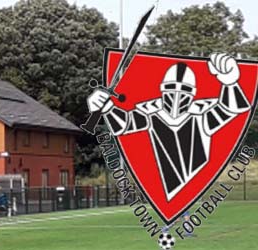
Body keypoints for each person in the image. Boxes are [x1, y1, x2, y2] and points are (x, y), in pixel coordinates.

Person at [87, 54, 249, 195]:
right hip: (166, 180)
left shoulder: (201, 117)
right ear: (163, 90)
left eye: (183, 90)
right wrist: (107, 108)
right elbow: (124, 124)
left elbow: (232, 108)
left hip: (193, 176)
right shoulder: (152, 115)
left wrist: (230, 83)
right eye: (172, 89)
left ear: (192, 94)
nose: (177, 96)